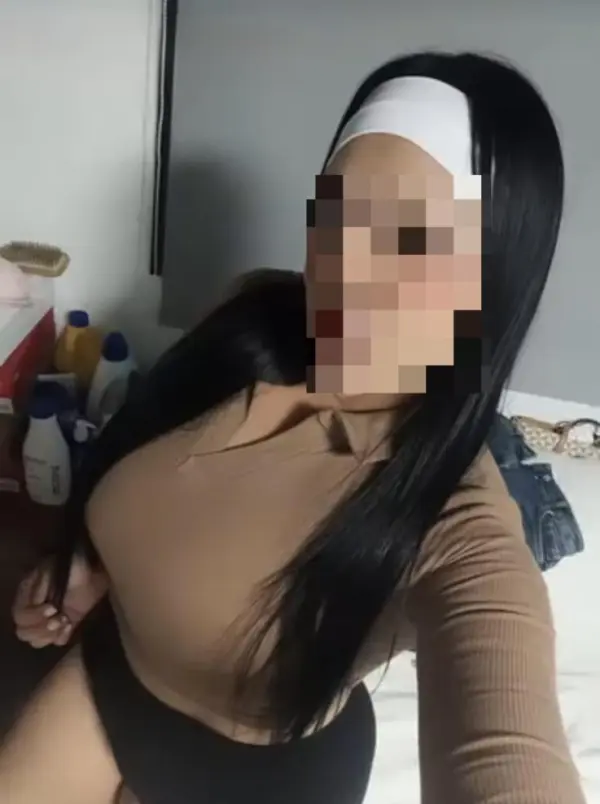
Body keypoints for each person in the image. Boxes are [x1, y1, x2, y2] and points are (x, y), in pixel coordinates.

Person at [4, 51, 586, 804]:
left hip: (257, 777)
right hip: (110, 678)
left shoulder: (458, 517)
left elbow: (507, 740)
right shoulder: (255, 313)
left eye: (411, 237)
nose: (347, 266)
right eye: (340, 208)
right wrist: (92, 564)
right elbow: (150, 466)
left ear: (488, 278)